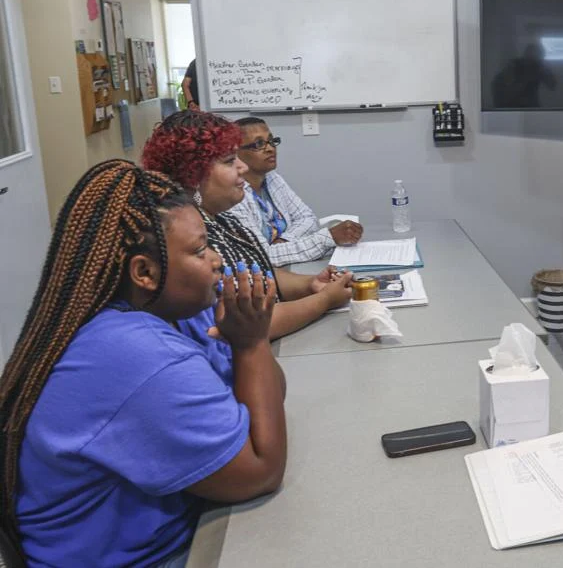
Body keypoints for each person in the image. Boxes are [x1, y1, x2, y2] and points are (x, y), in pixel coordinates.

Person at [0, 160, 286, 566]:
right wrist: (252, 343)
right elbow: (260, 471)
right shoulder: (135, 353)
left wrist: (247, 343)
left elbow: (270, 400)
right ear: (145, 272)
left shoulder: (175, 310)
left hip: (176, 528)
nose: (217, 259)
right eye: (199, 250)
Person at [143, 110, 352, 339]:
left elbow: (259, 273)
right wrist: (324, 300)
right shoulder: (193, 239)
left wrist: (311, 284)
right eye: (229, 161)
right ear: (193, 175)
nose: (242, 167)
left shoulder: (224, 218)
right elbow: (248, 323)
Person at [227, 116, 364, 266]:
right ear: (236, 153)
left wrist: (284, 241)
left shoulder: (272, 178)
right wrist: (328, 237)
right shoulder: (232, 195)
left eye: (271, 141)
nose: (270, 148)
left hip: (289, 267)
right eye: (259, 144)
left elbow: (308, 219)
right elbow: (262, 256)